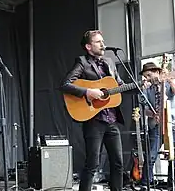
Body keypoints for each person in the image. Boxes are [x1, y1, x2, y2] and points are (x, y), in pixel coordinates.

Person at [60, 30, 126, 191]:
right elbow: (66, 84)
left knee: (118, 163)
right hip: (94, 120)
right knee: (92, 164)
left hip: (111, 120)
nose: (103, 44)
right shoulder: (82, 62)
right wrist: (87, 92)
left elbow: (119, 85)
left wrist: (140, 86)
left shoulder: (110, 62)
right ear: (89, 46)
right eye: (98, 42)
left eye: (103, 41)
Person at [140, 62, 175, 188]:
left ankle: (172, 184)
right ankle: (145, 184)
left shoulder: (166, 84)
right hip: (155, 126)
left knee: (173, 156)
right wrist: (153, 114)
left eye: (149, 75)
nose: (147, 79)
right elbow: (143, 108)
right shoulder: (146, 89)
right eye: (145, 77)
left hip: (171, 124)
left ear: (157, 72)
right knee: (151, 156)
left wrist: (169, 80)